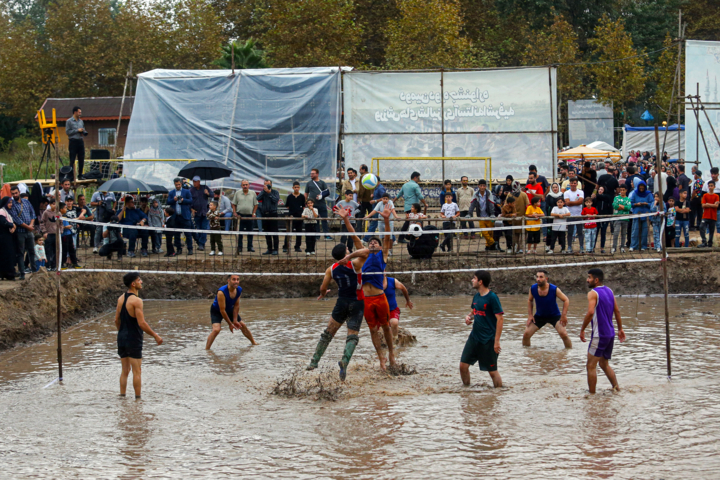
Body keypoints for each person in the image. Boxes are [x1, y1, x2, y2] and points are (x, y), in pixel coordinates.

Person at [339, 205, 397, 371]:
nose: (373, 243)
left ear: (379, 247)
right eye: (370, 242)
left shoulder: (382, 254)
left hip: (380, 298)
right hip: (366, 300)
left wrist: (386, 220)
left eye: (375, 242)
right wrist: (345, 219)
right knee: (372, 330)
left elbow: (386, 237)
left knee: (386, 327)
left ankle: (391, 353)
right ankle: (381, 359)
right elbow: (354, 235)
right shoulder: (363, 255)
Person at [309, 208, 365, 379]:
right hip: (357, 302)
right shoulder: (355, 264)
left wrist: (324, 293)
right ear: (347, 253)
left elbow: (322, 288)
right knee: (352, 336)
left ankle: (314, 361)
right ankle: (344, 362)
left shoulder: (331, 269)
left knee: (328, 332)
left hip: (341, 302)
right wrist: (347, 220)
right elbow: (363, 249)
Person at [115, 272, 163, 399]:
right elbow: (141, 323)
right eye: (139, 280)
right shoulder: (137, 301)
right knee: (137, 371)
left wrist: (122, 332)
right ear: (133, 284)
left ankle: (122, 396)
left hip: (121, 338)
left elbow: (116, 321)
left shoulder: (120, 299)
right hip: (133, 338)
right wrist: (155, 335)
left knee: (125, 371)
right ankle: (138, 400)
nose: (141, 282)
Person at [580, 268, 625, 394]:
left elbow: (590, 313)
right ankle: (617, 389)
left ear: (596, 280)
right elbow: (617, 311)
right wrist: (620, 329)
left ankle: (592, 396)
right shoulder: (609, 290)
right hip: (610, 334)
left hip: (599, 335)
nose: (587, 280)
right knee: (604, 364)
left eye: (589, 277)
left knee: (590, 366)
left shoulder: (593, 293)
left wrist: (582, 329)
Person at [459, 270, 504, 388]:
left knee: (492, 371)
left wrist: (497, 341)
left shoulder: (492, 297)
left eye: (474, 278)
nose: (472, 280)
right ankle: (466, 392)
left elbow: (500, 319)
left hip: (488, 339)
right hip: (474, 337)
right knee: (463, 366)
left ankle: (498, 394)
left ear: (480, 282)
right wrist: (469, 317)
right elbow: (474, 311)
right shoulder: (476, 296)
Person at [206, 274, 258, 350]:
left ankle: (254, 343)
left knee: (242, 325)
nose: (236, 281)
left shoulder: (239, 289)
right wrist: (230, 324)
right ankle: (207, 350)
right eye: (234, 279)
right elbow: (222, 310)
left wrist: (235, 320)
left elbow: (236, 305)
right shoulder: (221, 292)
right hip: (217, 310)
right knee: (216, 330)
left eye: (237, 279)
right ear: (228, 281)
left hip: (230, 309)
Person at [523, 270, 571, 348]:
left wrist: (564, 316)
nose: (538, 279)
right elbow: (530, 300)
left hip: (554, 316)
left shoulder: (554, 289)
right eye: (537, 277)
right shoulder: (533, 288)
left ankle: (568, 354)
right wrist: (530, 315)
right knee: (526, 334)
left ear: (546, 279)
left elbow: (566, 300)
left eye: (541, 277)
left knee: (564, 334)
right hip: (539, 316)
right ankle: (527, 354)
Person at [9, 185, 37, 278]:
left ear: (19, 192)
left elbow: (32, 213)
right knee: (20, 253)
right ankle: (22, 273)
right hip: (20, 232)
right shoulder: (12, 204)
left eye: (16, 193)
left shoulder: (26, 201)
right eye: (13, 194)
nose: (15, 195)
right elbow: (16, 219)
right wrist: (28, 227)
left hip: (29, 231)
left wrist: (31, 225)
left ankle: (34, 271)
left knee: (32, 251)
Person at [396, 171, 427, 240]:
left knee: (407, 222)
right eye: (418, 178)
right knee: (418, 222)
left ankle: (404, 237)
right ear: (415, 177)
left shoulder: (405, 185)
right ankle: (418, 237)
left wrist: (392, 201)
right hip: (415, 207)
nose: (419, 180)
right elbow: (420, 195)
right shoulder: (415, 185)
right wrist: (425, 203)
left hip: (407, 207)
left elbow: (399, 195)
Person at [468, 179, 498, 251]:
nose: (482, 187)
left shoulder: (488, 193)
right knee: (484, 232)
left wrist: (492, 214)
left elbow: (491, 204)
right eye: (481, 185)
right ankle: (493, 243)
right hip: (481, 216)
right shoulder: (476, 194)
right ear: (478, 186)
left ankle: (488, 246)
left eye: (483, 186)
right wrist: (469, 213)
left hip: (489, 216)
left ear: (485, 186)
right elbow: (472, 205)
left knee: (490, 232)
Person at [167, 178, 194, 255]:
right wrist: (174, 200)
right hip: (175, 217)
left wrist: (183, 200)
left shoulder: (186, 191)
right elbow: (168, 201)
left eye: (179, 184)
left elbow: (191, 201)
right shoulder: (172, 192)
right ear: (174, 184)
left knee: (188, 234)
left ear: (181, 183)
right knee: (176, 235)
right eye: (176, 185)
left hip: (185, 216)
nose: (178, 186)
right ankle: (179, 249)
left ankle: (190, 249)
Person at [383, 276, 413, 342]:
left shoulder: (393, 281)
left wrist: (408, 300)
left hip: (392, 309)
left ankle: (395, 339)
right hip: (379, 311)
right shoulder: (373, 282)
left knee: (394, 322)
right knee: (377, 328)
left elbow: (403, 288)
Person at [232, 179, 258, 254]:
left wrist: (254, 213)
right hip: (240, 216)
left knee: (250, 232)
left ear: (249, 185)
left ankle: (250, 247)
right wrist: (234, 212)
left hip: (250, 216)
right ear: (241, 186)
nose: (245, 186)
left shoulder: (253, 193)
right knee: (240, 232)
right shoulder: (237, 193)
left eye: (246, 185)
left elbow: (256, 204)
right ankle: (239, 247)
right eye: (243, 185)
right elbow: (234, 203)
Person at [305, 168, 331, 239]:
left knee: (324, 219)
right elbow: (306, 193)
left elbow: (327, 192)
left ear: (317, 174)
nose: (311, 175)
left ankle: (326, 235)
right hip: (313, 205)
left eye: (313, 173)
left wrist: (321, 196)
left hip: (322, 204)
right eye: (311, 173)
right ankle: (317, 235)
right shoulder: (309, 183)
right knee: (315, 220)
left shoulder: (322, 183)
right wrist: (305, 203)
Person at [190, 176, 213, 251]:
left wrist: (208, 193)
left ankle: (201, 243)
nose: (194, 183)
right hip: (196, 212)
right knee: (198, 228)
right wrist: (191, 209)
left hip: (205, 212)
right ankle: (200, 242)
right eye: (193, 181)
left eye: (196, 181)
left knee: (204, 228)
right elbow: (189, 201)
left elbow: (213, 195)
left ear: (199, 181)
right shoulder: (191, 190)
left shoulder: (205, 187)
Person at [257, 179, 280, 255]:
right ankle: (269, 249)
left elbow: (276, 200)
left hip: (273, 214)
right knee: (267, 233)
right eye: (265, 185)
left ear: (271, 185)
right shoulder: (262, 192)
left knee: (275, 232)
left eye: (268, 185)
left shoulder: (275, 192)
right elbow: (257, 199)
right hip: (265, 214)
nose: (266, 186)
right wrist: (264, 191)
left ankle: (275, 249)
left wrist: (269, 193)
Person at [629, 180, 652, 251]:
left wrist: (646, 204)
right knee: (635, 230)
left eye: (643, 188)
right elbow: (631, 203)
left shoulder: (648, 194)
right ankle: (633, 245)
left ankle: (643, 246)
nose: (641, 190)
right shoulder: (635, 193)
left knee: (645, 231)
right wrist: (636, 204)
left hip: (646, 214)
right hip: (636, 214)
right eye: (640, 188)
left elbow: (652, 203)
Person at [90, 189, 116, 253]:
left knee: (109, 230)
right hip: (100, 216)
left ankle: (108, 246)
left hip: (109, 215)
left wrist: (113, 208)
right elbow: (91, 203)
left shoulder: (111, 193)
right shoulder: (96, 194)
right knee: (98, 231)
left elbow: (115, 201)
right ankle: (95, 246)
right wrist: (98, 203)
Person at [283, 181, 305, 253]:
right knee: (288, 232)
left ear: (299, 188)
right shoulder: (289, 197)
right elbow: (287, 206)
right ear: (293, 188)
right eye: (295, 187)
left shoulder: (302, 197)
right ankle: (286, 246)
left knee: (299, 232)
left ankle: (297, 246)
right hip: (291, 217)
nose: (296, 188)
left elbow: (304, 206)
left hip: (299, 217)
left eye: (298, 187)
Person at [563, 178, 585, 253]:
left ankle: (581, 247)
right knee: (570, 232)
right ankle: (569, 247)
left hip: (579, 214)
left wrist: (571, 202)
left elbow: (580, 201)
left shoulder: (581, 192)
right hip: (570, 215)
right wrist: (576, 202)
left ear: (577, 184)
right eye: (572, 183)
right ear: (570, 183)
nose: (573, 184)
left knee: (580, 232)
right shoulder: (566, 193)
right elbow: (567, 203)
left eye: (575, 183)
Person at [66, 106, 86, 178]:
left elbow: (83, 129)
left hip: (80, 141)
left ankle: (80, 174)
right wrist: (77, 130)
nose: (80, 113)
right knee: (72, 159)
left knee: (81, 158)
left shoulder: (81, 121)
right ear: (75, 112)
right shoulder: (69, 121)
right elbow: (68, 132)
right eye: (79, 112)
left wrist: (83, 131)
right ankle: (71, 175)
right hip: (73, 141)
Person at [591, 186, 613, 253]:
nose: (600, 190)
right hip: (597, 218)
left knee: (603, 233)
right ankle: (592, 247)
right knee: (595, 233)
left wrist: (609, 217)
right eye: (599, 189)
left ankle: (602, 248)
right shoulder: (595, 199)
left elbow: (610, 208)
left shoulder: (607, 197)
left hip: (605, 218)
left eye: (602, 189)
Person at [0, 197, 18, 280]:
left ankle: (8, 273)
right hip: (4, 237)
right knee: (6, 255)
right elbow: (3, 223)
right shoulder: (1, 211)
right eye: (9, 203)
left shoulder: (7, 211)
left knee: (9, 254)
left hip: (7, 236)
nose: (11, 204)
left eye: (11, 202)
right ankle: (8, 273)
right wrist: (12, 225)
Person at [59, 202, 80, 269]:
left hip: (69, 234)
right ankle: (61, 264)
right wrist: (65, 227)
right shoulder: (59, 217)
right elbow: (58, 226)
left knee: (72, 249)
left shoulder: (65, 216)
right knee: (64, 250)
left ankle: (74, 263)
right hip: (64, 235)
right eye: (65, 208)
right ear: (61, 209)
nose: (66, 209)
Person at [699, 181, 719, 248]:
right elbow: (703, 205)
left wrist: (708, 204)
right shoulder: (705, 195)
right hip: (705, 215)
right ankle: (704, 241)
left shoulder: (716, 196)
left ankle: (710, 243)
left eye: (711, 186)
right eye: (709, 186)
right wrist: (712, 204)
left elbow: (716, 206)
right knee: (701, 227)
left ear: (714, 187)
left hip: (713, 216)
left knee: (711, 230)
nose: (710, 187)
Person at [611, 185, 631, 254]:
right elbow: (615, 205)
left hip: (625, 218)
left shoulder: (628, 199)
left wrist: (621, 206)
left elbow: (628, 207)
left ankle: (622, 247)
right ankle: (614, 247)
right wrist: (623, 207)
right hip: (617, 217)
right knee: (616, 232)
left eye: (623, 190)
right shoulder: (616, 198)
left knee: (623, 233)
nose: (622, 191)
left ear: (626, 190)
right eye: (621, 190)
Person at [41, 198, 58, 271]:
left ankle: (54, 265)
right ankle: (47, 265)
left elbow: (60, 223)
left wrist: (60, 231)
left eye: (56, 204)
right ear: (50, 205)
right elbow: (42, 223)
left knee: (55, 251)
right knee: (48, 251)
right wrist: (44, 232)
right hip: (48, 234)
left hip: (56, 235)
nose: (54, 205)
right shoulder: (46, 213)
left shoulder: (58, 213)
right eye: (53, 204)